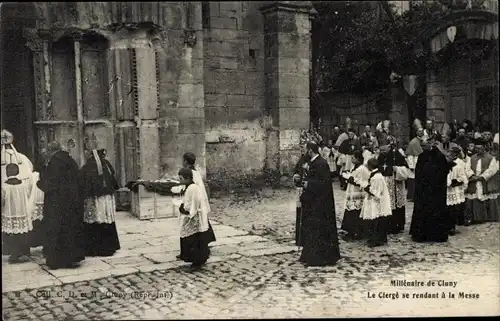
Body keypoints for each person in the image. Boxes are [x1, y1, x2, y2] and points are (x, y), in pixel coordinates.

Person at [37, 141, 85, 269]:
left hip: (56, 202)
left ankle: (56, 261)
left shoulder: (53, 162)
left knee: (56, 230)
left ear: (50, 151)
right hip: (71, 202)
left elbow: (50, 184)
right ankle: (71, 259)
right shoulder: (71, 160)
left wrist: (39, 183)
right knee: (69, 228)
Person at [298, 142, 340, 266]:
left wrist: (307, 184)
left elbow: (323, 184)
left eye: (306, 150)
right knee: (312, 229)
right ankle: (310, 256)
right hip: (314, 201)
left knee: (318, 230)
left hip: (320, 203)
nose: (304, 152)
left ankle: (319, 258)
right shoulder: (314, 163)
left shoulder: (321, 163)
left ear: (310, 151)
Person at [410, 138, 455, 243]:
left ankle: (423, 235)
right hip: (433, 191)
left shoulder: (433, 157)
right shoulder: (433, 157)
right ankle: (435, 235)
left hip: (429, 191)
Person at [79, 148, 121, 257]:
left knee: (96, 221)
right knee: (105, 221)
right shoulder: (106, 164)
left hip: (95, 199)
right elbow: (112, 179)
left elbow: (82, 180)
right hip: (106, 198)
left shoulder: (89, 165)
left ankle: (95, 249)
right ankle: (108, 248)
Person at [177, 167, 212, 270]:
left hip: (194, 216)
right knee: (190, 237)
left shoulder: (193, 188)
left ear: (188, 178)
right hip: (189, 216)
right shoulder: (188, 187)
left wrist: (187, 211)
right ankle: (195, 259)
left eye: (181, 178)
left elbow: (195, 203)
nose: (180, 181)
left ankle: (198, 261)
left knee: (195, 239)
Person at [181, 152, 216, 247]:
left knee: (194, 225)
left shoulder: (190, 173)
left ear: (185, 161)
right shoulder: (195, 172)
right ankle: (204, 243)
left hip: (196, 201)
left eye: (183, 160)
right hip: (199, 200)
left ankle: (198, 248)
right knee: (201, 222)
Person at [377, 136, 409, 234]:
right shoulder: (380, 155)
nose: (382, 151)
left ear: (389, 146)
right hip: (384, 183)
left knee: (395, 205)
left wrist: (397, 170)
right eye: (380, 149)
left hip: (395, 183)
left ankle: (396, 226)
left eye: (384, 149)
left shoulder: (397, 155)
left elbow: (405, 170)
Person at [2, 164, 32, 263]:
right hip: (22, 211)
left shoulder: (4, 186)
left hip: (9, 212)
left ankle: (13, 254)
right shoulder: (23, 184)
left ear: (7, 173)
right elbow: (28, 195)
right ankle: (23, 251)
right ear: (17, 172)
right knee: (22, 232)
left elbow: (2, 201)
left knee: (11, 234)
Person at [464, 138, 499, 224]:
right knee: (473, 195)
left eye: (480, 148)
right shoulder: (472, 158)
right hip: (474, 179)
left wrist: (482, 177)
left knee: (486, 195)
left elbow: (492, 170)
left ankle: (488, 217)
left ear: (484, 148)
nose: (478, 150)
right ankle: (475, 217)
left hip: (484, 181)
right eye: (477, 148)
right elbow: (467, 168)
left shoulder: (491, 158)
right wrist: (472, 175)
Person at [359, 158, 392, 247]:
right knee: (376, 219)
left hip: (377, 201)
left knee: (376, 220)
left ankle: (376, 240)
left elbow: (376, 192)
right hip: (375, 201)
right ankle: (378, 238)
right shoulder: (375, 175)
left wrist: (366, 187)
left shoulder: (377, 177)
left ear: (370, 166)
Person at [341, 151, 370, 241]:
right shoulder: (354, 167)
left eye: (353, 158)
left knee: (355, 212)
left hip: (358, 193)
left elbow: (361, 182)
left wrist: (349, 178)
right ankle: (350, 231)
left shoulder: (362, 169)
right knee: (351, 211)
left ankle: (356, 232)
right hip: (352, 192)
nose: (352, 159)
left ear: (358, 159)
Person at [445, 147, 469, 235]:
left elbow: (463, 176)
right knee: (447, 208)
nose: (449, 155)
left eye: (451, 154)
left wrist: (455, 181)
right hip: (447, 188)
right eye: (448, 154)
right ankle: (446, 226)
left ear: (456, 154)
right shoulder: (445, 162)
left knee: (454, 208)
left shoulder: (460, 163)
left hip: (455, 188)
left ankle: (452, 227)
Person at [293, 143, 310, 246]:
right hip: (300, 189)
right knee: (300, 213)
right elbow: (296, 171)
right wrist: (296, 177)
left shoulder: (312, 161)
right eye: (301, 148)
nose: (302, 150)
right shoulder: (302, 159)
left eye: (304, 148)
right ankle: (300, 238)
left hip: (308, 189)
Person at [406, 119, 426, 201]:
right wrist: (411, 166)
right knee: (413, 180)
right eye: (419, 131)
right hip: (415, 163)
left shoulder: (425, 140)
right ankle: (412, 197)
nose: (421, 133)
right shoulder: (413, 142)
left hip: (424, 162)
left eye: (422, 131)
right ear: (416, 132)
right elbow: (410, 155)